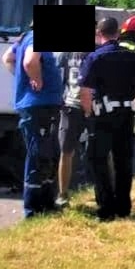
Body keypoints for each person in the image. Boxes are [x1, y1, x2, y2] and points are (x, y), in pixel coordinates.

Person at [78, 17, 135, 221]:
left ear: (99, 34)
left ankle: (106, 209)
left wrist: (87, 112)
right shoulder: (133, 57)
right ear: (118, 34)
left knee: (98, 160)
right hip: (127, 115)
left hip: (102, 116)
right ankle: (123, 207)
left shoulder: (95, 57)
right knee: (123, 162)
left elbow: (85, 91)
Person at [2, 21, 64, 218]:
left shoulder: (24, 39)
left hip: (38, 104)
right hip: (40, 105)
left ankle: (46, 201)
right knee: (39, 154)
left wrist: (22, 77)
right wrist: (36, 79)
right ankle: (33, 208)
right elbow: (29, 62)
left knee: (49, 152)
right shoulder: (37, 39)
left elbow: (7, 58)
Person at [54, 46, 92, 207]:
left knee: (66, 152)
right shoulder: (97, 51)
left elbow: (58, 79)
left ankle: (63, 195)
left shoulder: (66, 53)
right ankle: (104, 190)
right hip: (92, 107)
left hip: (71, 106)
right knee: (102, 151)